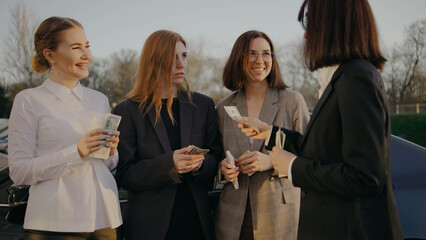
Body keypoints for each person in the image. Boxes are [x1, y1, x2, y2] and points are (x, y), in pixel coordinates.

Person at [237, 1, 404, 239]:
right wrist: (270, 133)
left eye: (310, 22)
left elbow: (365, 177)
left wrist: (293, 167)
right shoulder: (342, 76)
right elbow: (322, 150)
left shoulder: (357, 78)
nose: (306, 33)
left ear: (333, 25)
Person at [8, 17, 122, 239]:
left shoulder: (99, 99)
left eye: (87, 46)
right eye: (76, 47)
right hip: (56, 222)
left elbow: (107, 164)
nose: (86, 55)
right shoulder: (29, 100)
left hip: (105, 219)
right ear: (50, 54)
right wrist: (76, 152)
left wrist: (111, 151)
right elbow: (19, 172)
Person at [113, 30, 222, 240]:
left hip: (196, 225)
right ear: (153, 61)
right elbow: (125, 174)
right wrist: (168, 164)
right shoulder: (126, 110)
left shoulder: (203, 105)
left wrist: (200, 164)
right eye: (172, 58)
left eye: (183, 56)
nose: (181, 64)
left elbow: (216, 160)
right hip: (149, 228)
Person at [215, 30, 310, 240]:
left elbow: (311, 156)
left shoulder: (293, 101)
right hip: (233, 217)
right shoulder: (223, 107)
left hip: (279, 215)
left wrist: (271, 162)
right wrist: (223, 168)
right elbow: (217, 156)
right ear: (238, 58)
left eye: (266, 53)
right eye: (252, 53)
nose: (260, 60)